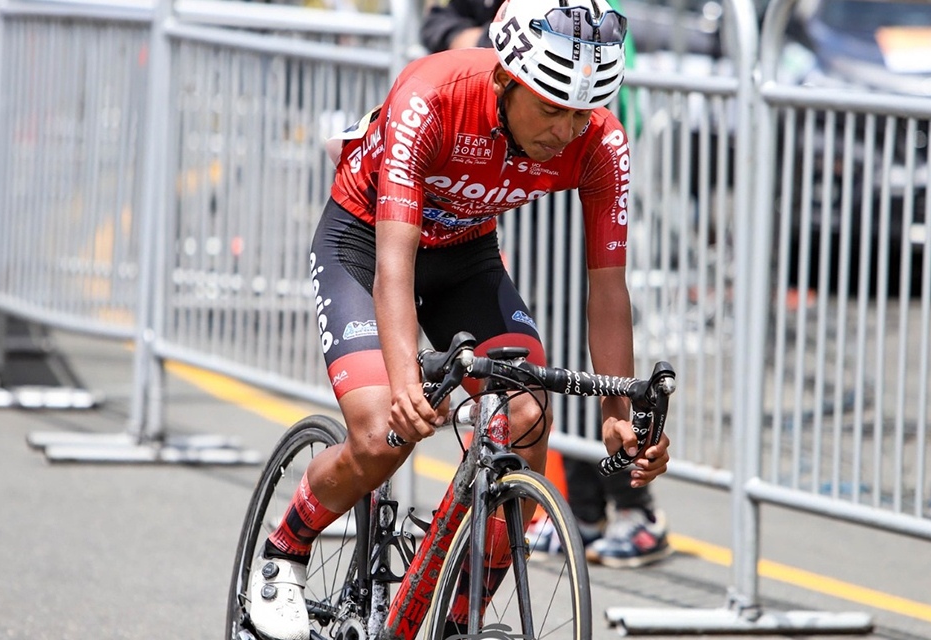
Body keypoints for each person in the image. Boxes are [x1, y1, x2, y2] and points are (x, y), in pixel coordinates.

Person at [249, 0, 671, 638]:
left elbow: (608, 288)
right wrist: (403, 387)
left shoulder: (601, 143)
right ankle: (286, 549)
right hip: (366, 245)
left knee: (527, 418)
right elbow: (395, 266)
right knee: (378, 437)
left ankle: (457, 615)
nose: (566, 129)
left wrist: (617, 414)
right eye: (551, 107)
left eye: (582, 110)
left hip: (466, 259)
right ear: (503, 79)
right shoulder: (431, 95)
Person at [421, 0, 673, 571]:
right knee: (544, 331)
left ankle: (628, 505)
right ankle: (585, 510)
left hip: (559, 167)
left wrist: (571, 108)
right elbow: (436, 22)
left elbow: (609, 293)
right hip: (488, 152)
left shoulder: (587, 124)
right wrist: (488, 51)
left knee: (562, 344)